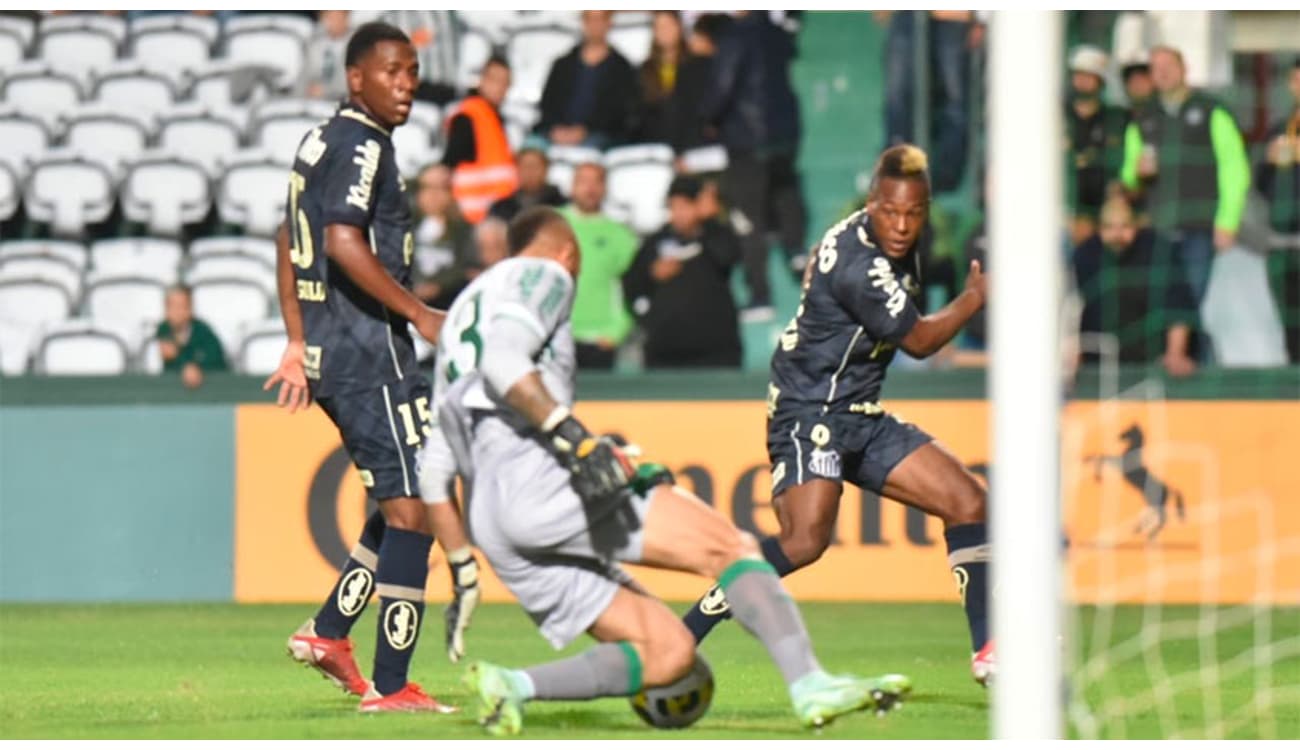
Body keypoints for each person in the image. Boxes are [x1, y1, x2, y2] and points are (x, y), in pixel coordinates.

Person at [431, 206, 910, 736]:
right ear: (569, 253)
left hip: (491, 520)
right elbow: (505, 363)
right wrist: (577, 441)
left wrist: (463, 568)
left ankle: (511, 685)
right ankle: (809, 684)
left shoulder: (457, 318)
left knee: (670, 651)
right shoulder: (546, 272)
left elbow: (434, 470)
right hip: (540, 481)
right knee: (733, 549)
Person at [678, 145, 997, 687]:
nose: (900, 225)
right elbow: (919, 341)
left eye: (912, 214)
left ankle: (991, 650)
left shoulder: (902, 245)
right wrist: (971, 300)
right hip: (810, 410)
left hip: (859, 412)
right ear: (871, 203)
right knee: (804, 541)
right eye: (890, 212)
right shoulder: (858, 262)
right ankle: (684, 634)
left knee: (968, 501)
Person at [261, 22, 473, 713]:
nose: (406, 83)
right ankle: (391, 686)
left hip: (334, 348)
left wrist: (297, 341)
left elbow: (286, 240)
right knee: (417, 512)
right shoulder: (363, 144)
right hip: (368, 350)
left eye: (412, 71)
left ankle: (329, 633)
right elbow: (342, 241)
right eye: (391, 71)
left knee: (403, 500)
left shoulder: (320, 139)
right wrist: (418, 313)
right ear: (357, 78)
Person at [1120, 44, 1251, 305]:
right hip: (1156, 230)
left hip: (1200, 229)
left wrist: (1227, 222)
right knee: (1160, 305)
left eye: (1169, 66)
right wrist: (1136, 174)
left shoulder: (1212, 111)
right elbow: (1127, 178)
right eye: (1156, 69)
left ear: (1184, 68)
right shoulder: (1143, 119)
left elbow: (1235, 169)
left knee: (1197, 305)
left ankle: (1200, 347)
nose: (1163, 73)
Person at [703, 11, 807, 319]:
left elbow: (723, 85)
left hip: (748, 137)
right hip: (784, 134)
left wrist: (707, 116)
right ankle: (797, 250)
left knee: (749, 219)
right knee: (785, 192)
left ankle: (760, 296)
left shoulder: (734, 37)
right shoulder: (776, 32)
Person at [623, 175, 742, 368]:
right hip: (665, 354)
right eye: (672, 207)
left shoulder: (717, 235)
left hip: (716, 353)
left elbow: (728, 256)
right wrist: (651, 275)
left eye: (685, 206)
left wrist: (708, 221)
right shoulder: (656, 242)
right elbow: (631, 285)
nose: (677, 214)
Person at [1072, 195, 1199, 376]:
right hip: (1100, 364)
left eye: (1124, 226)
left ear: (1137, 225)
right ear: (1099, 228)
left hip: (1152, 363)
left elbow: (1178, 307)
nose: (1117, 235)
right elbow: (1071, 312)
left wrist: (1175, 354)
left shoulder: (1158, 251)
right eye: (1109, 227)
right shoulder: (1085, 256)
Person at [879, 10, 978, 193]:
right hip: (908, 14)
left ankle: (943, 178)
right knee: (899, 102)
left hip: (953, 15)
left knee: (953, 104)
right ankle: (898, 175)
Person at [558, 162, 639, 370]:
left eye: (597, 182)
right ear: (572, 186)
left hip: (599, 341)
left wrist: (616, 331)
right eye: (584, 181)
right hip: (557, 339)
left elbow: (635, 289)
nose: (590, 188)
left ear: (605, 188)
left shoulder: (621, 236)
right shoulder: (551, 225)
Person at [536, 10, 640, 149]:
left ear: (609, 23)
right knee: (531, 149)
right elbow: (547, 104)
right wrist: (556, 130)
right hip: (555, 133)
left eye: (599, 19)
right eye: (590, 19)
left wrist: (584, 131)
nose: (594, 25)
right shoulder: (562, 64)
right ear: (583, 23)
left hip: (599, 136)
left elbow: (620, 114)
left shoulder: (623, 69)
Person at [1255, 60, 1300, 363]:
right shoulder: (1280, 128)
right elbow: (1260, 186)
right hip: (1283, 244)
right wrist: (1269, 162)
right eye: (1296, 81)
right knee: (1291, 325)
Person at [441, 56, 518, 224]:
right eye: (495, 79)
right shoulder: (468, 116)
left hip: (495, 212)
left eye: (505, 82)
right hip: (474, 216)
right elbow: (449, 164)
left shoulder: (494, 118)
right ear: (482, 80)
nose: (500, 87)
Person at [1065, 45, 1129, 246]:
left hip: (1105, 216)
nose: (1082, 81)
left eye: (1089, 76)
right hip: (1058, 213)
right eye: (1078, 75)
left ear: (1100, 81)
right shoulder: (1055, 116)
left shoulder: (1117, 119)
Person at [411, 164, 477, 309]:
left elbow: (469, 269)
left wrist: (439, 285)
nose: (434, 195)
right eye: (428, 187)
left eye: (441, 188)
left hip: (448, 304)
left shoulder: (464, 231)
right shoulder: (405, 226)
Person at [156, 284, 227, 389]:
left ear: (190, 309)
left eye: (182, 306)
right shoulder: (163, 330)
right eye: (172, 306)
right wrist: (183, 365)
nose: (177, 312)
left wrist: (198, 369)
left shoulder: (203, 332)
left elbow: (219, 363)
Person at [636, 10, 688, 145]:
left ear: (680, 27)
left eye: (669, 25)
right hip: (653, 142)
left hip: (688, 140)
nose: (665, 32)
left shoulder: (694, 66)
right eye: (659, 27)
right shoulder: (645, 70)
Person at [486, 147, 567, 223]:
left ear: (546, 170)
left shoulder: (563, 206)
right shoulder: (500, 207)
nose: (529, 172)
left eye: (534, 166)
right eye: (524, 167)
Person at [303, 9, 352, 100]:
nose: (333, 22)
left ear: (346, 17)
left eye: (338, 17)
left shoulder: (357, 44)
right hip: (312, 101)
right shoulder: (314, 43)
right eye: (329, 17)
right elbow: (303, 76)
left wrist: (326, 91)